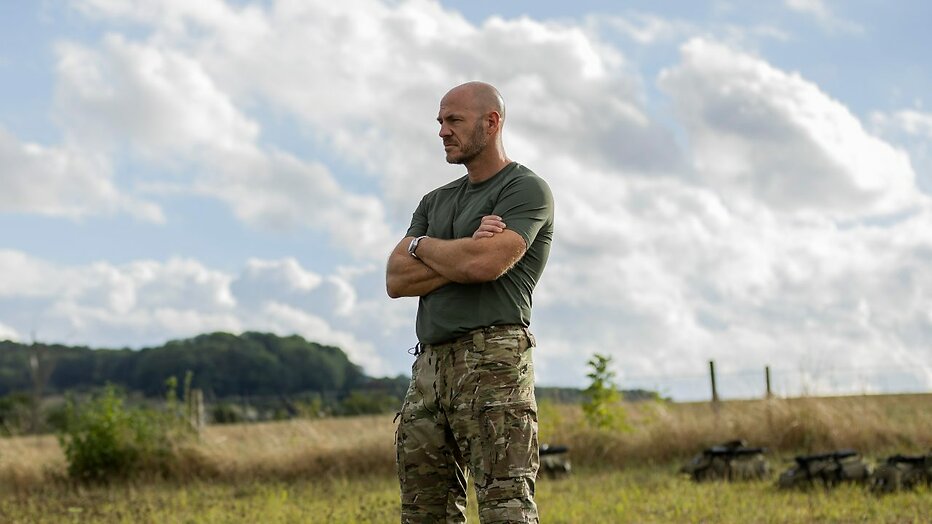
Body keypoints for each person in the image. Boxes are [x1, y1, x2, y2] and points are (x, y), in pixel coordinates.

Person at [386, 81, 554, 523]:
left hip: (494, 361)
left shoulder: (525, 190)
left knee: (505, 506)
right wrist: (456, 248)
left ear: (492, 122)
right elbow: (396, 278)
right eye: (440, 121)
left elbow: (485, 266)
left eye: (454, 120)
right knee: (424, 510)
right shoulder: (435, 200)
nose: (442, 130)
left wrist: (427, 249)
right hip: (429, 369)